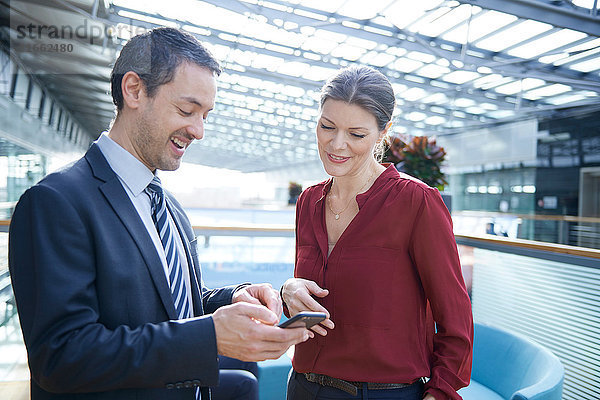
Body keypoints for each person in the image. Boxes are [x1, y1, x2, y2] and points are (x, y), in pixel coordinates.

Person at [8, 27, 311, 400]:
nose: (198, 131)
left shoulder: (168, 206)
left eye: (206, 115)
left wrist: (234, 298)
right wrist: (210, 336)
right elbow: (61, 356)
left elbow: (173, 301)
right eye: (187, 110)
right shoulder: (55, 202)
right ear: (134, 90)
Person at [281, 66, 473, 400]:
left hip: (384, 393)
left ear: (383, 133)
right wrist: (290, 290)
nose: (336, 144)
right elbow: (314, 297)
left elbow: (456, 319)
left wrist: (440, 393)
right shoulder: (309, 201)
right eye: (327, 126)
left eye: (356, 134)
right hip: (303, 387)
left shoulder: (416, 202)